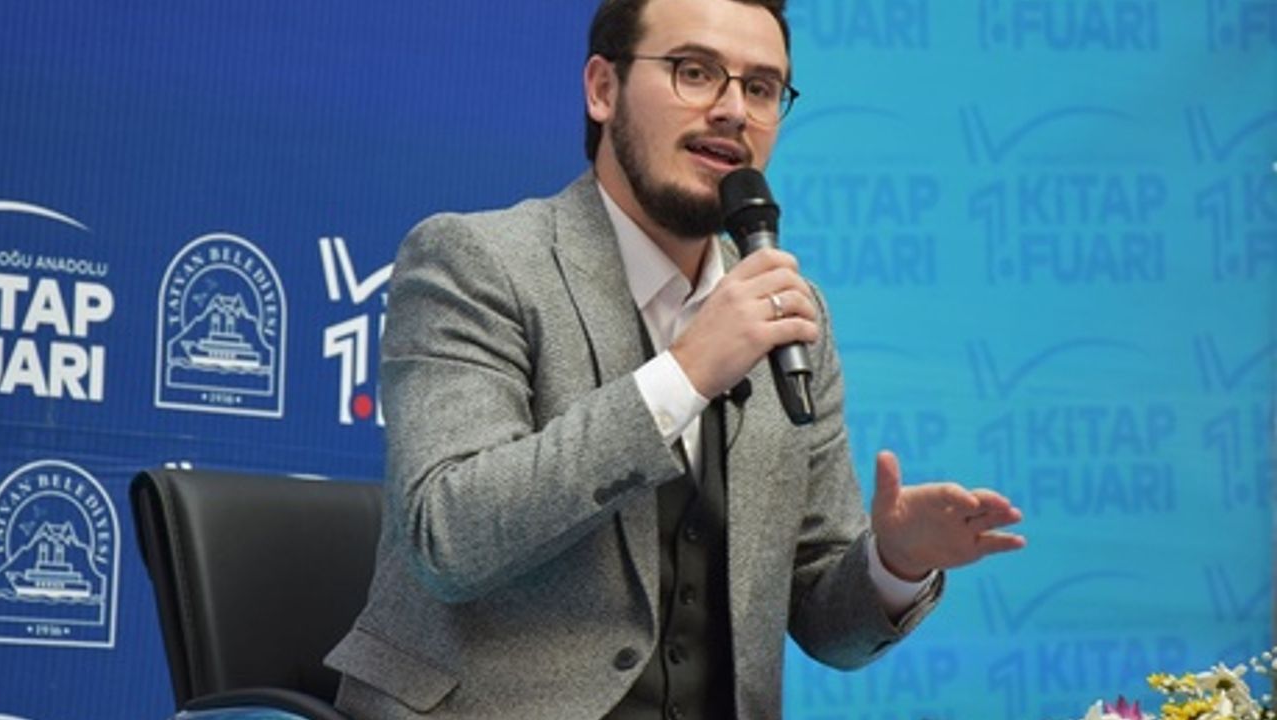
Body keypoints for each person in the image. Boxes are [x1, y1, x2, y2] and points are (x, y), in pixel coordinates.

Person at [326, 0, 1026, 717]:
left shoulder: (789, 310)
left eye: (761, 88)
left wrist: (895, 561)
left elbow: (825, 622)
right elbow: (448, 537)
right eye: (695, 72)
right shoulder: (475, 262)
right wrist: (684, 375)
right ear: (603, 89)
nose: (733, 110)